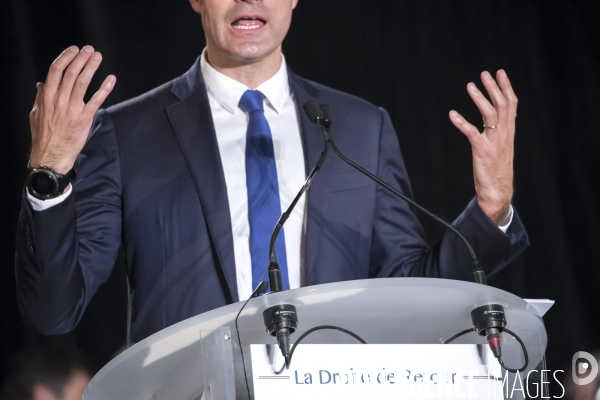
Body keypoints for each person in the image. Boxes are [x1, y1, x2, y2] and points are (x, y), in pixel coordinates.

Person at [15, 0, 529, 345]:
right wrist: (50, 176)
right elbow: (54, 311)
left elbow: (418, 294)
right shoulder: (127, 134)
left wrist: (492, 209)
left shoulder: (358, 129)